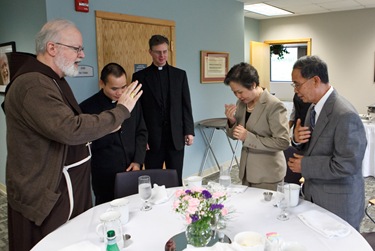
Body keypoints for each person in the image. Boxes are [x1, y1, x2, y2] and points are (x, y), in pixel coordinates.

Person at [3, 19, 142, 251]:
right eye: (76, 48)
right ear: (52, 48)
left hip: (68, 187)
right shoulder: (33, 84)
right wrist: (120, 112)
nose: (82, 54)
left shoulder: (50, 80)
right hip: (45, 192)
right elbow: (70, 128)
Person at [287, 55, 367, 230]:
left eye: (297, 84)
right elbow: (312, 147)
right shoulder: (313, 109)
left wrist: (305, 166)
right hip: (315, 196)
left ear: (315, 80)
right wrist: (297, 140)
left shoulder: (344, 114)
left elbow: (347, 165)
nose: (295, 90)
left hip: (339, 203)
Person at [80, 63, 147, 205]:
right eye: (114, 88)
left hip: (131, 168)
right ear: (102, 84)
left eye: (124, 87)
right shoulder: (86, 107)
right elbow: (85, 142)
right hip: (104, 173)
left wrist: (138, 161)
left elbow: (141, 132)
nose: (121, 93)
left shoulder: (133, 102)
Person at [131, 34, 194, 185]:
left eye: (165, 51)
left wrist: (189, 131)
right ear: (150, 52)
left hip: (176, 137)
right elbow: (136, 111)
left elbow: (186, 105)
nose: (162, 55)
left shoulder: (180, 75)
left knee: (176, 177)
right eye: (158, 52)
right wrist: (141, 137)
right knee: (153, 179)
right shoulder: (139, 77)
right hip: (152, 139)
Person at [224, 62, 290, 191]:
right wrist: (232, 122)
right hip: (246, 172)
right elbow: (237, 135)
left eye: (240, 92)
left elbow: (283, 142)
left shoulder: (274, 105)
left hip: (267, 174)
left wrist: (248, 137)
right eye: (234, 92)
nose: (238, 96)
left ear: (253, 85)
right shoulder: (242, 103)